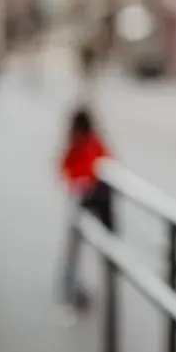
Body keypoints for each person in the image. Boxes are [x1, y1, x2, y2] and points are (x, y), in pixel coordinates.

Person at [58, 107, 112, 314]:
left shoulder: (80, 141)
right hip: (98, 196)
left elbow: (66, 168)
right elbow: (105, 162)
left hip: (88, 196)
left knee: (78, 242)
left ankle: (74, 283)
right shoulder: (91, 141)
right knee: (102, 241)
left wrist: (77, 181)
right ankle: (79, 284)